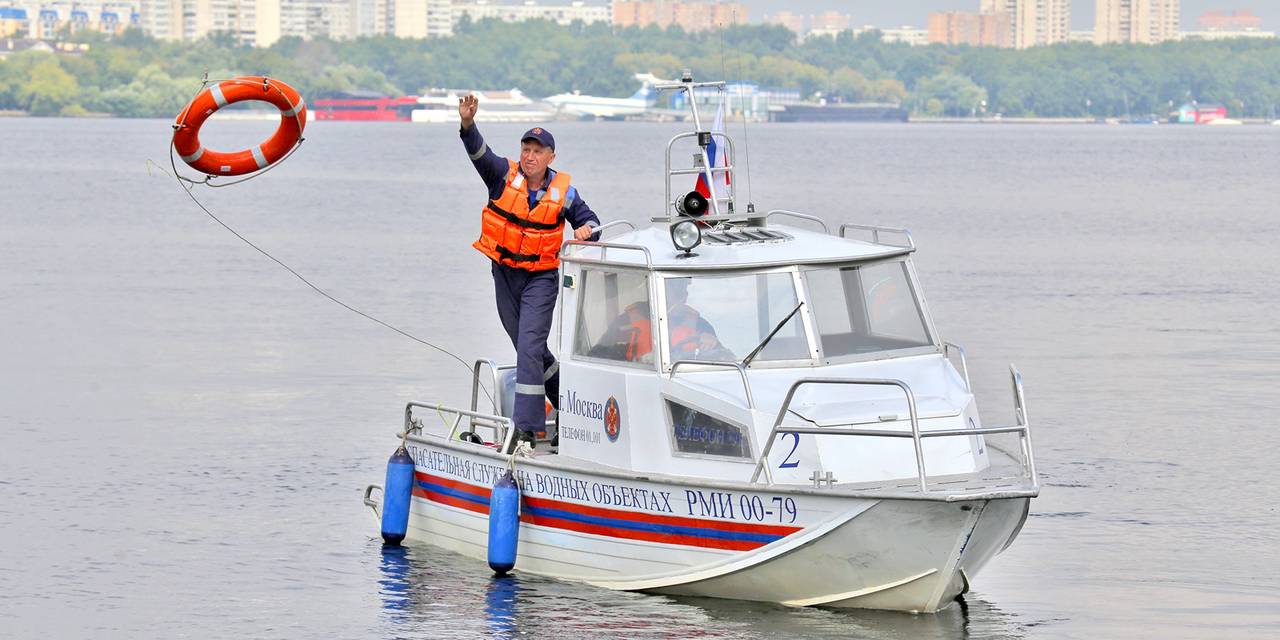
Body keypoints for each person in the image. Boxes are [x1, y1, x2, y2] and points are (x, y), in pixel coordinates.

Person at [458, 94, 601, 450]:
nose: (530, 156)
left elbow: (591, 221)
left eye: (538, 151)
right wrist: (467, 124)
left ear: (551, 157)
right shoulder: (501, 177)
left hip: (541, 279)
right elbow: (478, 152)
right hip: (505, 275)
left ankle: (526, 429)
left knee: (528, 348)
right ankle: (569, 402)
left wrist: (587, 231)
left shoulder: (564, 193)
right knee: (529, 348)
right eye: (526, 148)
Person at [591, 278, 733, 363]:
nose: (682, 293)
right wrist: (638, 361)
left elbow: (725, 358)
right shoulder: (627, 322)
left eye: (682, 287)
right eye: (674, 287)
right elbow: (597, 355)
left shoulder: (700, 325)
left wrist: (714, 344)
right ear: (653, 288)